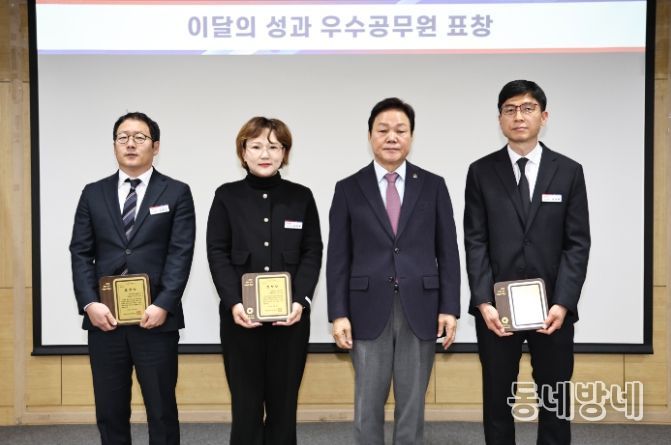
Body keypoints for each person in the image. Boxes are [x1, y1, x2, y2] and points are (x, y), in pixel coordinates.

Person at [326, 97, 461, 445]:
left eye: (400, 130)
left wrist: (449, 308)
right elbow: (338, 257)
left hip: (421, 306)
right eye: (383, 130)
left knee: (412, 404)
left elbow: (448, 251)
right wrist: (338, 313)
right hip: (366, 308)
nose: (391, 137)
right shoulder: (348, 188)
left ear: (411, 136)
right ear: (370, 135)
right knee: (367, 404)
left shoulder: (433, 185)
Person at [464, 80, 591, 444]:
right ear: (500, 119)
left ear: (543, 117)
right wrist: (483, 302)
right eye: (510, 109)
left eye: (528, 108)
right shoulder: (481, 171)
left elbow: (577, 243)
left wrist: (563, 303)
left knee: (554, 399)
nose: (519, 116)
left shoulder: (568, 171)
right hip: (497, 311)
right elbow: (475, 241)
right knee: (497, 399)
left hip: (552, 310)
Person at [69, 111, 196, 445]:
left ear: (155, 146)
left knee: (161, 410)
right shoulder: (93, 193)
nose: (130, 144)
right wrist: (90, 303)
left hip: (155, 320)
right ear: (114, 145)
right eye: (123, 137)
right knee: (110, 410)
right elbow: (80, 252)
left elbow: (180, 253)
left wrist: (163, 304)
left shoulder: (176, 192)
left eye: (139, 137)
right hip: (105, 320)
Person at [206, 117, 323, 445]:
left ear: (285, 153)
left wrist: (300, 301)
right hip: (240, 320)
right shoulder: (226, 196)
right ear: (243, 152)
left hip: (291, 320)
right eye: (256, 146)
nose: (265, 154)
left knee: (284, 406)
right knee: (245, 406)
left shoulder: (301, 197)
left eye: (274, 146)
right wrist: (234, 302)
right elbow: (217, 252)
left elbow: (312, 252)